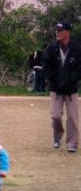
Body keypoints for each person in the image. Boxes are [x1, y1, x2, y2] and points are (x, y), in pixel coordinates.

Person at [41, 21, 81, 153]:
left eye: (60, 31)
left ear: (68, 32)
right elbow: (45, 64)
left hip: (71, 89)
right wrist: (53, 78)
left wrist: (71, 79)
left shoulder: (77, 49)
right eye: (57, 31)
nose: (57, 33)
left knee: (73, 117)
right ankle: (57, 137)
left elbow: (79, 68)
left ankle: (72, 142)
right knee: (55, 116)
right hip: (56, 88)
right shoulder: (51, 48)